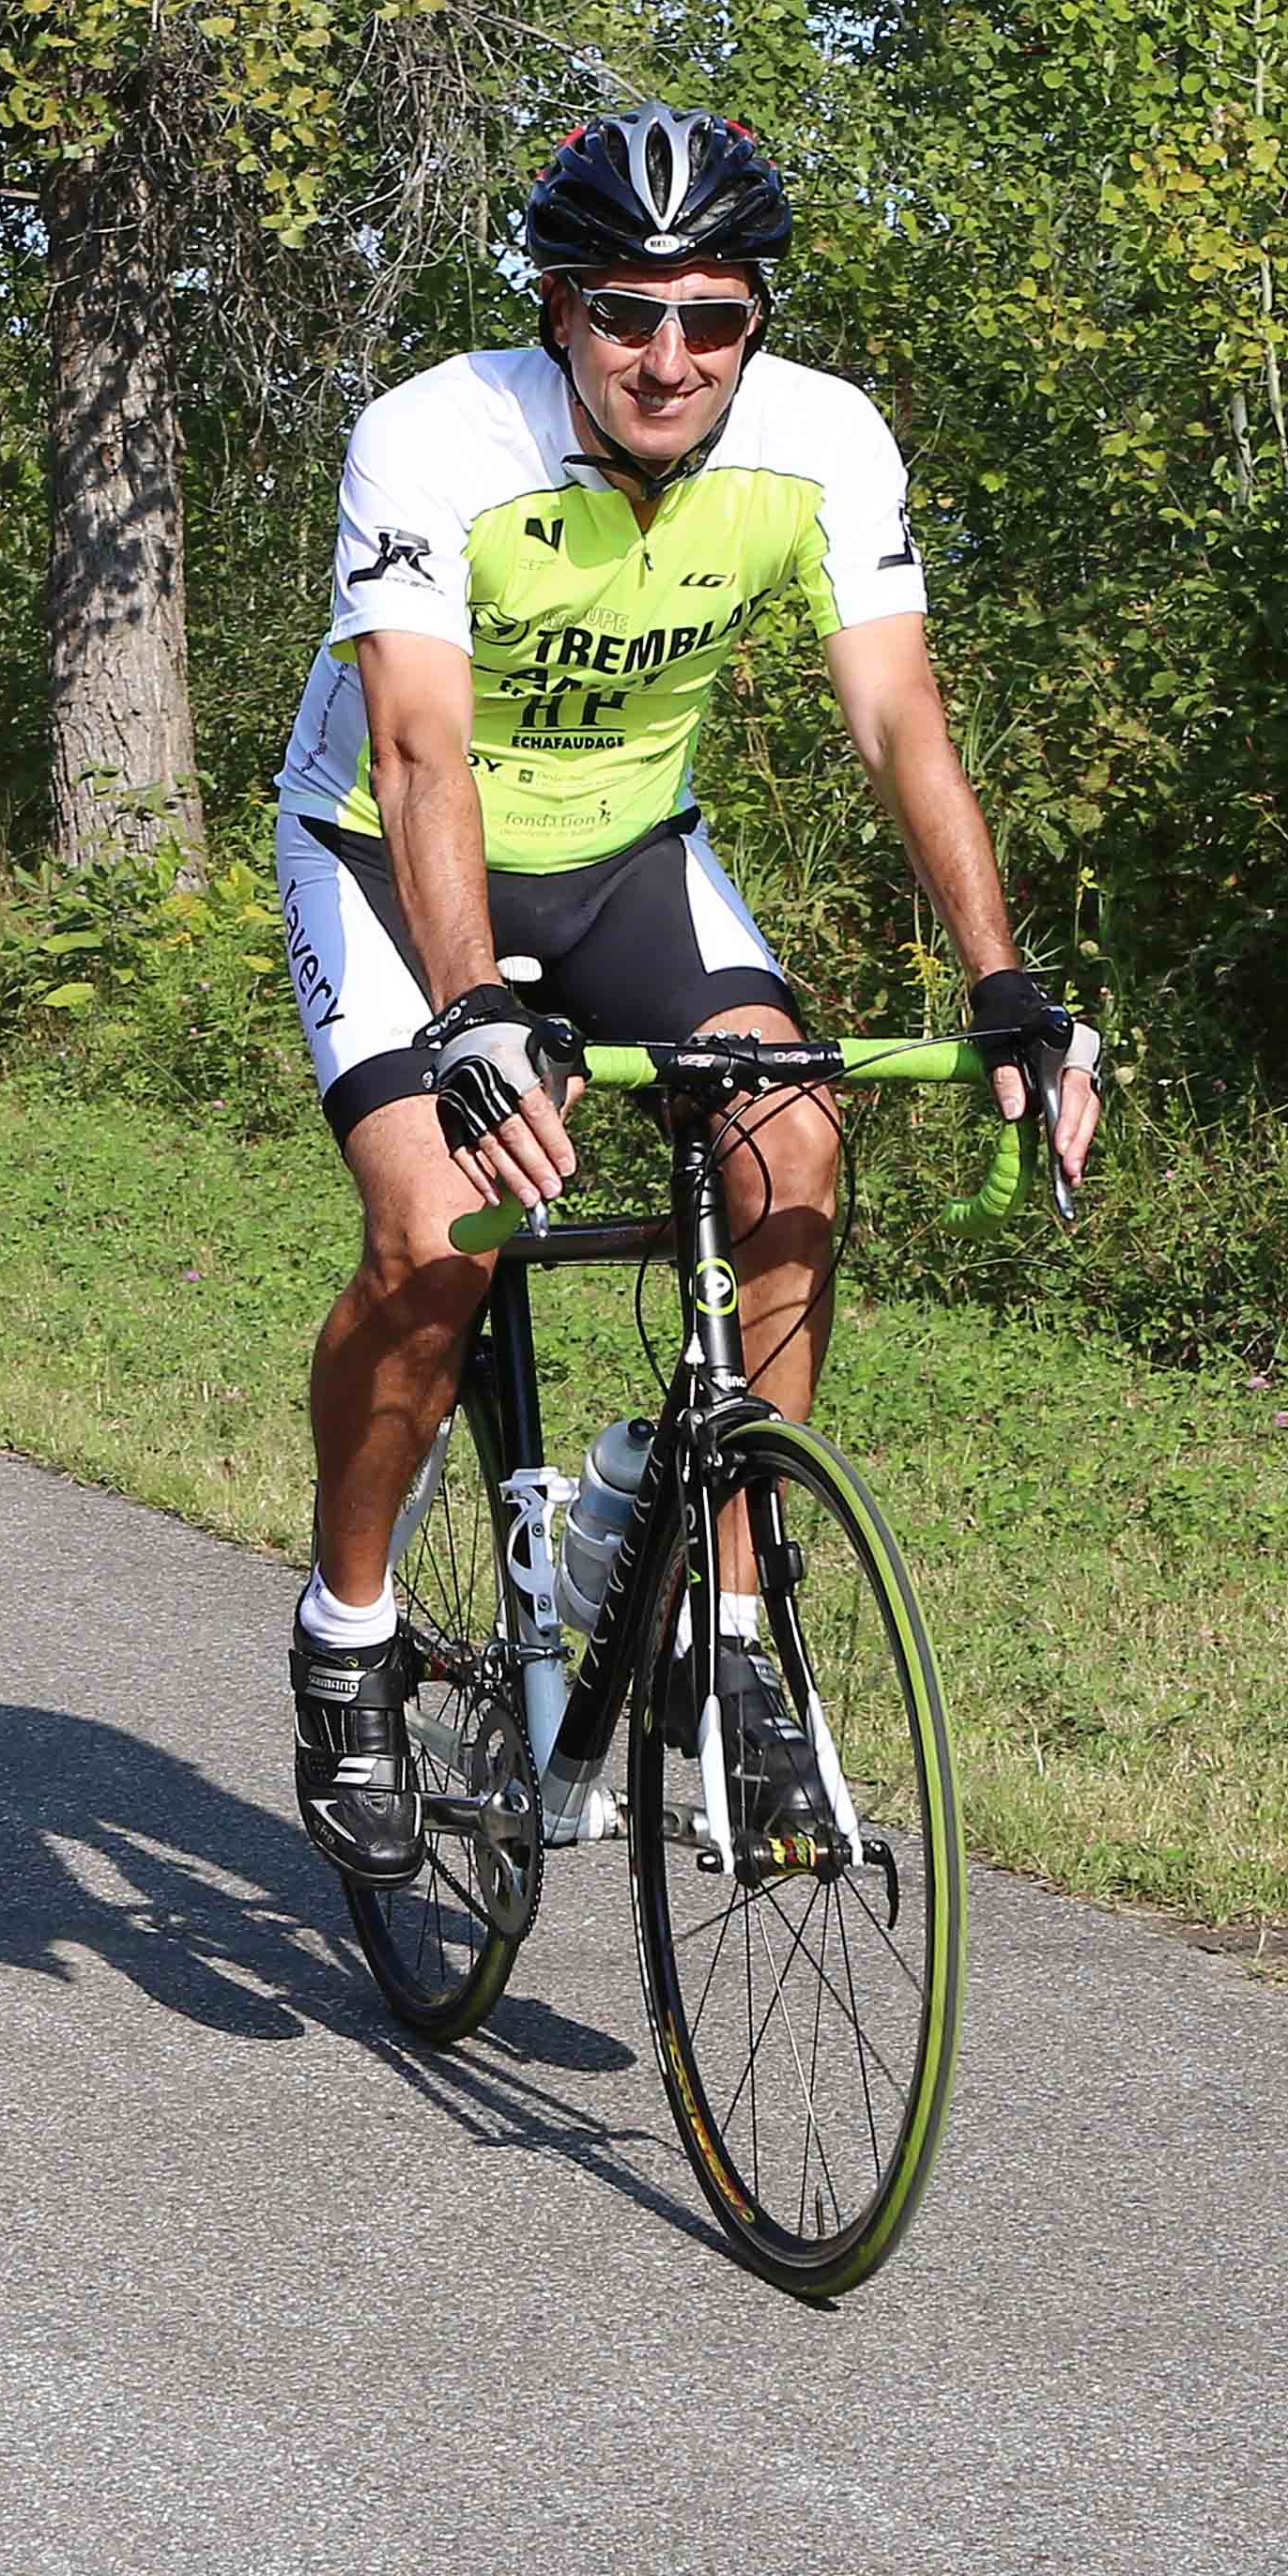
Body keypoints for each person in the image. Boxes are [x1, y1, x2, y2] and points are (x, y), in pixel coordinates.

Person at [268, 107, 1102, 1880]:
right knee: (437, 1236)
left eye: (711, 317)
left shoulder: (823, 440)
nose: (669, 358)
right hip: (388, 855)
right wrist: (470, 1008)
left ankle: (725, 1638)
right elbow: (418, 752)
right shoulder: (434, 436)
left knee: (794, 1146)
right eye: (627, 314)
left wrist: (1004, 979)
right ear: (558, 310)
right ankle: (346, 1635)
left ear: (754, 321)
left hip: (632, 850)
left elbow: (898, 714)